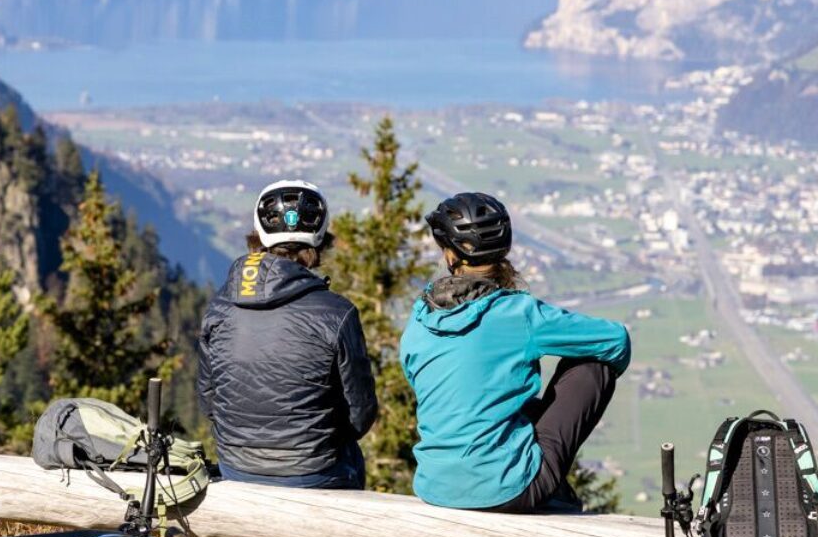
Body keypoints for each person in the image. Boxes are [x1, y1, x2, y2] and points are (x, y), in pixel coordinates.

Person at [400, 191, 630, 513]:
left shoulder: (420, 317)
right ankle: (552, 492)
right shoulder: (518, 313)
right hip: (508, 490)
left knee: (517, 407)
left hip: (434, 485)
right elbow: (616, 340)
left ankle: (549, 485)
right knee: (594, 364)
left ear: (450, 256)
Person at [196, 180, 376, 489]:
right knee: (351, 457)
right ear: (320, 243)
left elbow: (208, 401)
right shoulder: (337, 312)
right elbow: (360, 415)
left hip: (236, 466)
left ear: (259, 238)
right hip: (315, 473)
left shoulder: (220, 306)